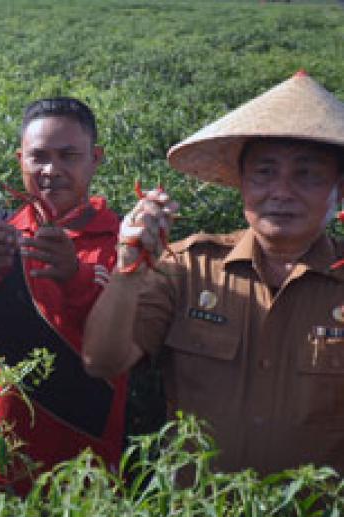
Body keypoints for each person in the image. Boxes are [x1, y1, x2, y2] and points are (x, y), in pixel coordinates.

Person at [83, 70, 344, 476]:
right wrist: (128, 268)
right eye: (264, 172)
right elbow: (103, 360)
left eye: (307, 174)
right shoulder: (188, 267)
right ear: (241, 182)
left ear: (338, 190)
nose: (281, 191)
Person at [0, 98, 127, 495]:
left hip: (83, 464)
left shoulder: (124, 243)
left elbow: (121, 344)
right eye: (38, 157)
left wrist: (76, 276)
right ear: (20, 159)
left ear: (95, 159)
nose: (51, 170)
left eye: (69, 156)